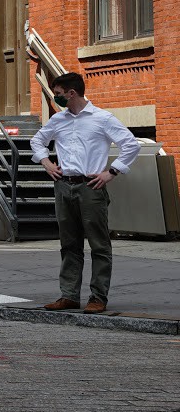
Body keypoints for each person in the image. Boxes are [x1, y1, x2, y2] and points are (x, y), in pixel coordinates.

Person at [28, 71, 140, 314]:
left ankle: (98, 298)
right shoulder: (58, 120)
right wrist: (46, 162)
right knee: (69, 244)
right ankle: (69, 295)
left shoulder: (102, 118)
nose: (55, 98)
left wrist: (111, 172)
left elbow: (130, 145)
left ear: (72, 93)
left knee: (99, 245)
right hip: (63, 184)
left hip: (91, 187)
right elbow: (37, 142)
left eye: (58, 94)